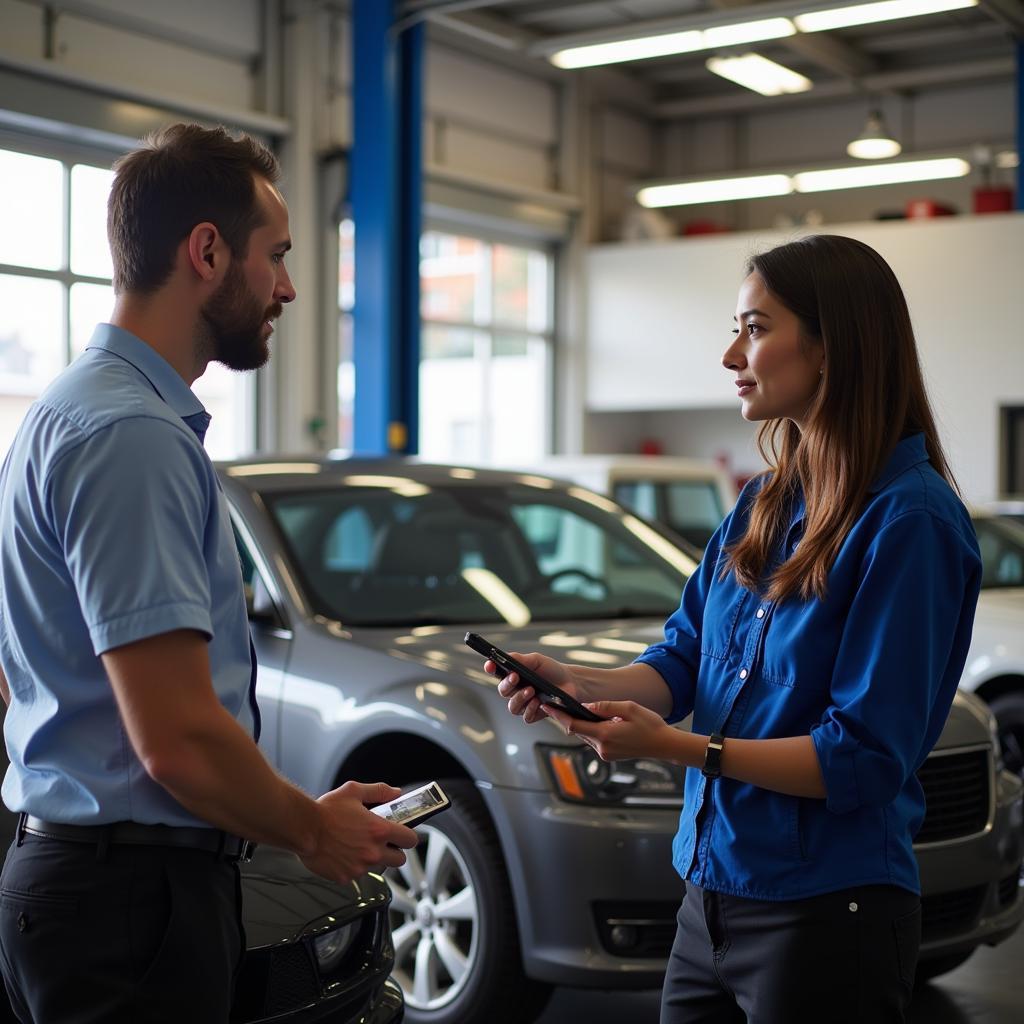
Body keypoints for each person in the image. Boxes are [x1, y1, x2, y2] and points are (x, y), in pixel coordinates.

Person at [490, 234, 982, 1023]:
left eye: (755, 328)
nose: (730, 354)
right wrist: (582, 685)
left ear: (830, 348)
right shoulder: (764, 504)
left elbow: (859, 758)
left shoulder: (910, 521)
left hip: (829, 910)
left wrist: (672, 747)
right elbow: (685, 657)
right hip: (709, 895)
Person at [0, 123, 417, 1023]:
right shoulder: (131, 437)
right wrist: (312, 829)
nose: (289, 288)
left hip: (102, 883)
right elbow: (176, 737)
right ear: (206, 251)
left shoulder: (72, 412)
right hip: (129, 905)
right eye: (277, 257)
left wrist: (293, 808)